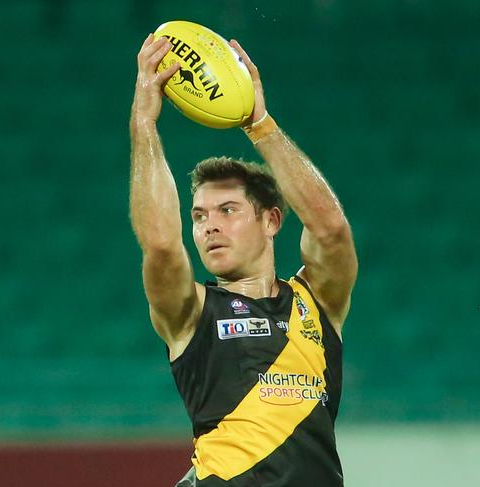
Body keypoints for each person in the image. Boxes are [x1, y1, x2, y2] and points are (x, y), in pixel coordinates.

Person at [129, 33, 358, 486]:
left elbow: (330, 229)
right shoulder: (191, 313)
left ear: (272, 221)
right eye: (199, 217)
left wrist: (260, 125)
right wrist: (144, 125)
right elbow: (159, 245)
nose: (209, 226)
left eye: (227, 211)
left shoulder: (317, 301)